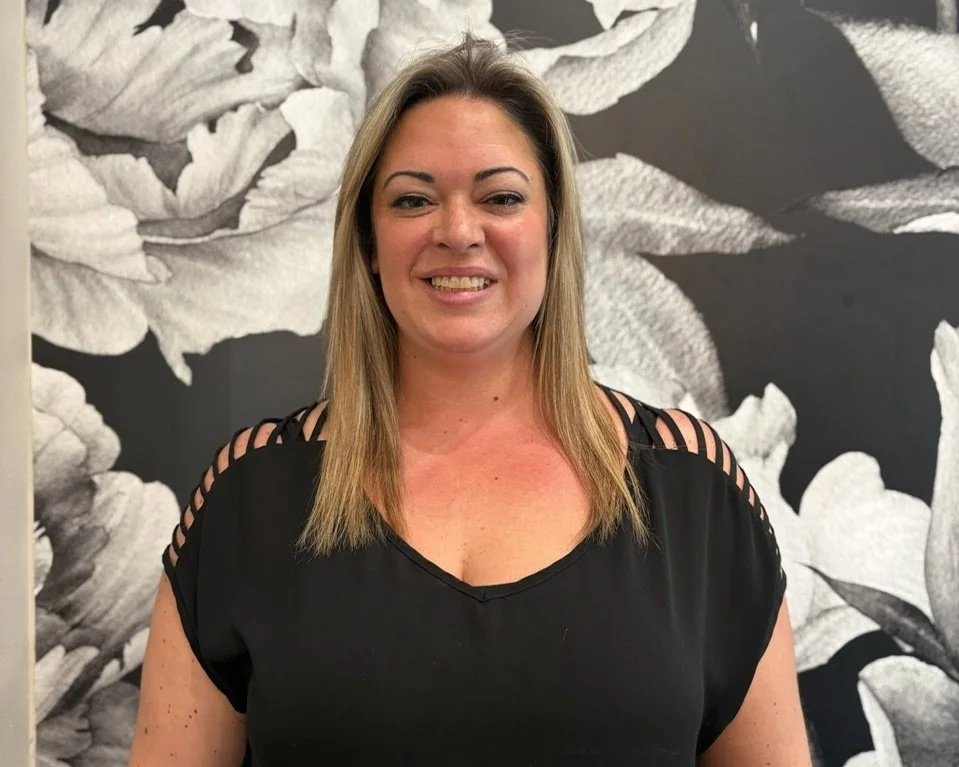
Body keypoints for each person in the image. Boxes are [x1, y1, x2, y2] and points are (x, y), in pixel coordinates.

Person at [128, 35, 812, 766]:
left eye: (501, 197)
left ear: (553, 231)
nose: (457, 231)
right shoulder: (251, 497)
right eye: (413, 199)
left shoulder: (690, 489)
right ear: (367, 241)